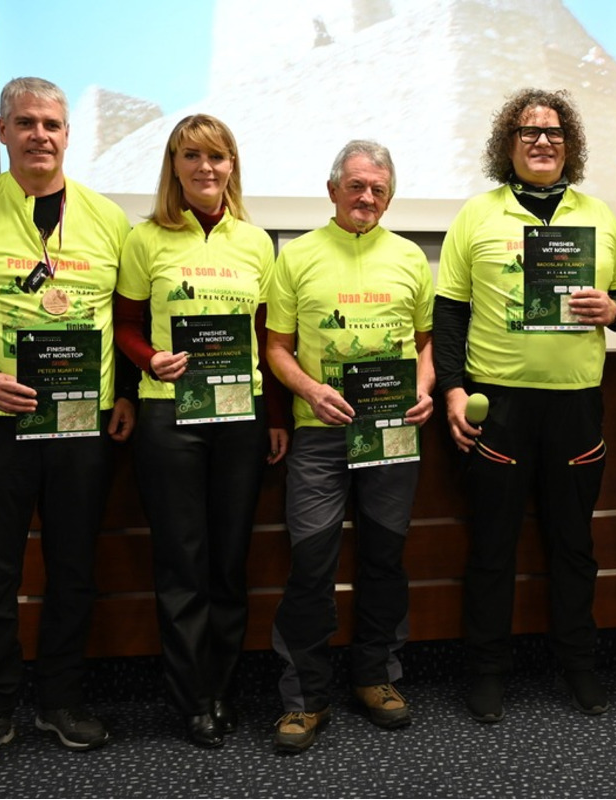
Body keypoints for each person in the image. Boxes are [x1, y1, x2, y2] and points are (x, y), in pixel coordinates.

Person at [433, 88, 616, 723]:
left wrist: (614, 312)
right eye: (528, 131)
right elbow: (449, 317)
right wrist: (453, 390)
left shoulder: (600, 216)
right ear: (509, 142)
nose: (542, 140)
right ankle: (486, 671)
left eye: (553, 132)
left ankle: (579, 665)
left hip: (576, 406)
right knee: (492, 546)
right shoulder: (476, 216)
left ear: (569, 144)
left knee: (574, 545)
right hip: (499, 409)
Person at [0, 77, 134, 773]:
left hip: (81, 423)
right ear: (2, 132)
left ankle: (61, 699)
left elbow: (123, 317)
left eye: (52, 123)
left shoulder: (107, 219)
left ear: (67, 133)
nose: (40, 135)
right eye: (25, 122)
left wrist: (122, 396)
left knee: (74, 569)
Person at [114, 114, 287, 748]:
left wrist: (272, 416)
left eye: (216, 157)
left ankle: (223, 687)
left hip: (241, 417)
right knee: (181, 561)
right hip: (169, 416)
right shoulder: (145, 240)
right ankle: (193, 699)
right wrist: (147, 360)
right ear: (175, 166)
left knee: (228, 560)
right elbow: (127, 323)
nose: (205, 168)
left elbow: (269, 337)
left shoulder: (256, 242)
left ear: (231, 165)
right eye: (192, 157)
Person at [267, 140, 435, 753]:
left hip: (392, 432)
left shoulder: (412, 258)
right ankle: (304, 698)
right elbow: (276, 347)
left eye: (379, 190)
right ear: (333, 189)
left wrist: (423, 387)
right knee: (311, 564)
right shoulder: (297, 257)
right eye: (358, 186)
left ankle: (376, 679)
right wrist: (309, 391)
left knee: (385, 559)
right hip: (319, 437)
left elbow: (424, 342)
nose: (368, 198)